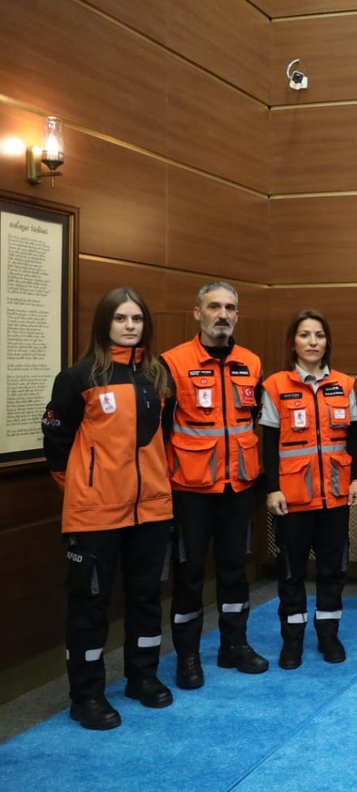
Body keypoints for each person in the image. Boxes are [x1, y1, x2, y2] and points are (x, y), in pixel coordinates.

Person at [42, 287, 174, 730]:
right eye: (121, 318)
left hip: (151, 510)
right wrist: (86, 489)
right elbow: (57, 444)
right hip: (95, 513)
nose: (130, 326)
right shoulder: (78, 378)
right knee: (90, 606)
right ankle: (86, 696)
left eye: (137, 318)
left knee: (146, 598)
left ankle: (143, 677)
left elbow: (165, 438)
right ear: (105, 324)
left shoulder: (157, 376)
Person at [163, 281, 268, 688]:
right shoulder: (173, 363)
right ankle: (187, 656)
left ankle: (233, 646)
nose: (222, 315)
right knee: (190, 575)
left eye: (229, 308)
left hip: (237, 487)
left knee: (235, 571)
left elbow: (253, 420)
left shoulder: (251, 363)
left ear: (237, 315)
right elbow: (159, 430)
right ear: (198, 313)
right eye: (214, 307)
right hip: (190, 491)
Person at [260, 309, 357, 669]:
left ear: (327, 342)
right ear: (293, 342)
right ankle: (292, 642)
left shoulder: (344, 384)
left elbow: (354, 437)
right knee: (291, 573)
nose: (312, 342)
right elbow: (268, 443)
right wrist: (272, 489)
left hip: (335, 496)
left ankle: (328, 636)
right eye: (305, 335)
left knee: (333, 570)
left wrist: (356, 478)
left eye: (319, 335)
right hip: (292, 500)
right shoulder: (275, 385)